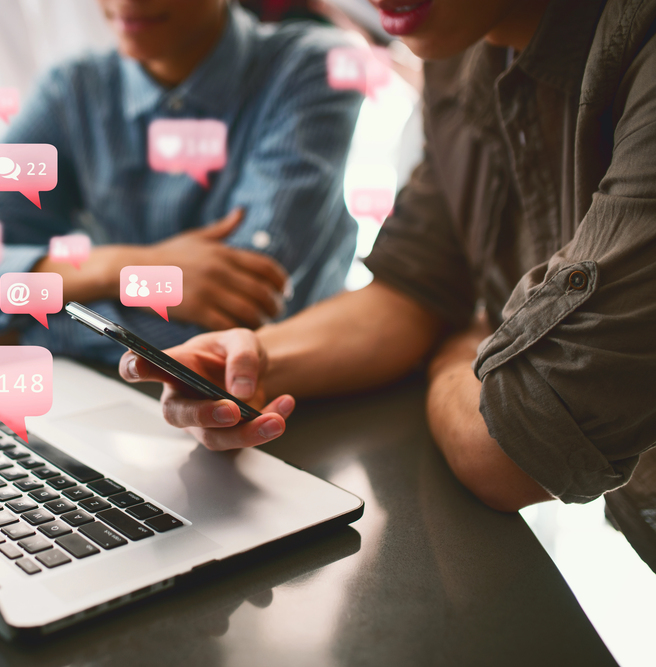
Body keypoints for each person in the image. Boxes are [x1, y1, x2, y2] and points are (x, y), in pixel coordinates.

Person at [120, 0, 656, 514]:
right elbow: (413, 288)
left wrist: (460, 346)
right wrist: (250, 359)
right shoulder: (461, 51)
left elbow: (507, 454)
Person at [0, 0, 363, 364]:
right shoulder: (76, 92)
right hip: (116, 410)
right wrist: (121, 268)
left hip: (294, 413)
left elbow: (233, 322)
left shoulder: (313, 68)